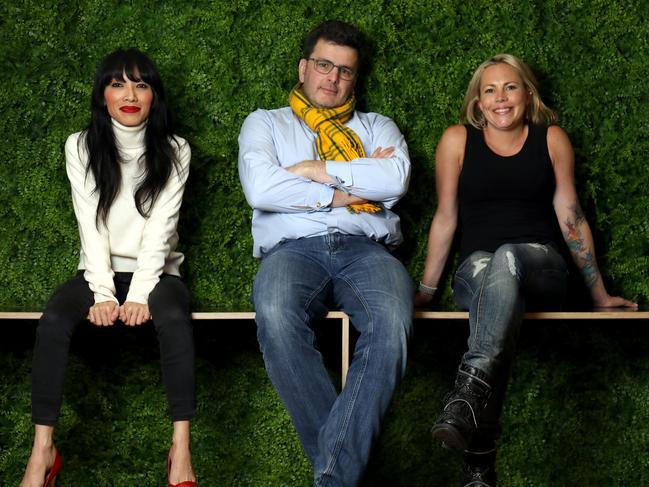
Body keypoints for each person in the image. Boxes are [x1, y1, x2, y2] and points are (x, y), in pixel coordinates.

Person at [415, 53, 637, 486]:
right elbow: (446, 217)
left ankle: (471, 408)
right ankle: (478, 461)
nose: (501, 98)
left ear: (528, 93)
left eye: (510, 87)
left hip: (541, 267)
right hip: (477, 271)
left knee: (509, 256)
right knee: (492, 279)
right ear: (478, 103)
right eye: (489, 90)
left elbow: (569, 213)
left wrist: (598, 294)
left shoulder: (551, 138)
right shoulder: (456, 141)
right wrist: (425, 291)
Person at [238, 20, 413, 487]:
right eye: (323, 65)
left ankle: (332, 478)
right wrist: (345, 188)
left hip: (367, 249)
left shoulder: (378, 126)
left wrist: (316, 169)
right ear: (303, 68)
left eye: (345, 71)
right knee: (274, 312)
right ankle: (341, 475)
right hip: (293, 250)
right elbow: (261, 187)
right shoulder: (266, 123)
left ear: (356, 78)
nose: (332, 78)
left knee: (392, 322)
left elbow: (395, 180)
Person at [19, 49, 197, 487]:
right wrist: (103, 293)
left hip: (156, 275)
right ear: (103, 95)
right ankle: (43, 451)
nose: (130, 94)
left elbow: (161, 229)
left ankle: (181, 450)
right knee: (54, 320)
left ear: (155, 95)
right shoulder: (80, 146)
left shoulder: (176, 150)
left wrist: (137, 295)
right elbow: (91, 224)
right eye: (118, 84)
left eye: (141, 84)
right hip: (98, 270)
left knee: (174, 316)